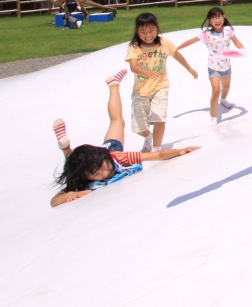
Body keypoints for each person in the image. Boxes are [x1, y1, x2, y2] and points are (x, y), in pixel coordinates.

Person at [50, 68, 199, 207]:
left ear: (104, 159)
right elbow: (54, 200)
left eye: (102, 167)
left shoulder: (118, 157)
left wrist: (179, 151)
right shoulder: (82, 176)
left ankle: (113, 85)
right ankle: (65, 147)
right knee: (74, 167)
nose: (104, 173)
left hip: (109, 149)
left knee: (117, 121)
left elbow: (156, 155)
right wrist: (68, 195)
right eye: (95, 174)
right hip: (90, 159)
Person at [125, 12, 198, 151]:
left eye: (151, 30)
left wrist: (189, 68)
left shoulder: (164, 43)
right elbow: (133, 66)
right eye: (143, 31)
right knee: (138, 128)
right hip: (140, 91)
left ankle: (157, 149)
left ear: (157, 28)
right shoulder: (134, 47)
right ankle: (147, 136)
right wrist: (147, 72)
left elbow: (176, 54)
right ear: (137, 32)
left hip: (160, 86)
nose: (148, 35)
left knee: (159, 118)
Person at [177, 6, 246, 123]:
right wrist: (176, 48)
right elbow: (191, 41)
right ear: (210, 20)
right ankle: (213, 117)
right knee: (216, 90)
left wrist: (242, 49)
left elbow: (237, 42)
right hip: (213, 66)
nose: (217, 20)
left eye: (219, 17)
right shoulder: (207, 34)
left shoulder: (229, 30)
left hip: (226, 65)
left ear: (223, 18)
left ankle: (223, 100)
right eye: (214, 18)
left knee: (226, 87)